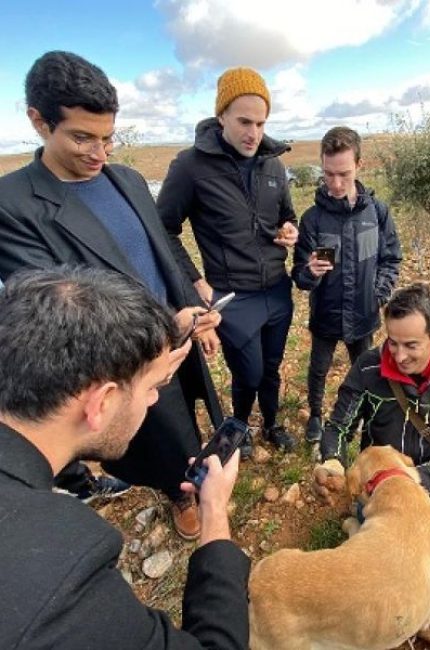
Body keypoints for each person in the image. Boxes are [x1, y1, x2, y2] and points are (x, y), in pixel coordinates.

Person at [0, 51, 223, 540]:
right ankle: (180, 493)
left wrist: (196, 314)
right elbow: (63, 314)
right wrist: (169, 326)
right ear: (39, 121)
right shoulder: (13, 205)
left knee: (188, 411)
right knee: (158, 432)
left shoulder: (126, 179)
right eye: (81, 137)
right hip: (122, 363)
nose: (99, 154)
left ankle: (190, 471)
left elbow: (163, 250)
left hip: (179, 331)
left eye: (107, 138)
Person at [0, 267, 249, 649]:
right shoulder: (60, 573)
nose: (153, 400)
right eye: (152, 388)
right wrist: (214, 512)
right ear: (101, 402)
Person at [315, 283, 430, 593]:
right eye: (392, 342)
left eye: (411, 345)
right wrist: (331, 458)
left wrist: (417, 476)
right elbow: (338, 426)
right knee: (378, 565)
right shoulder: (368, 368)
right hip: (381, 482)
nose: (399, 356)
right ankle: (360, 526)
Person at [157, 66, 298, 452]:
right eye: (244, 121)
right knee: (248, 372)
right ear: (221, 117)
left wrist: (290, 229)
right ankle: (240, 427)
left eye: (261, 122)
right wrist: (194, 282)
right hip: (234, 297)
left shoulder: (274, 165)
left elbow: (288, 214)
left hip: (277, 290)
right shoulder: (190, 166)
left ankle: (270, 424)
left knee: (270, 369)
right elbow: (162, 229)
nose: (254, 133)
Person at [291, 126, 402, 443]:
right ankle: (315, 416)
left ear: (359, 166)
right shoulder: (312, 219)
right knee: (318, 369)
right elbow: (299, 276)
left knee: (366, 370)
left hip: (364, 315)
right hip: (326, 315)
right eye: (328, 174)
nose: (336, 183)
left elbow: (391, 259)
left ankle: (364, 419)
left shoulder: (377, 213)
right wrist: (310, 271)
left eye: (344, 174)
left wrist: (378, 294)